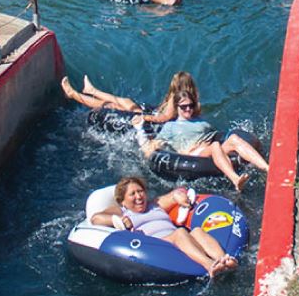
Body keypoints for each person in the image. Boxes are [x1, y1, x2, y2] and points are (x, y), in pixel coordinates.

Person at [140, 72, 271, 190]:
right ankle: (236, 179)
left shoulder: (198, 119)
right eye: (183, 107)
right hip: (194, 154)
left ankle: (267, 168)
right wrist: (142, 129)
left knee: (234, 139)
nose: (188, 109)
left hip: (210, 150)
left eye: (190, 106)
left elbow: (216, 135)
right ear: (177, 107)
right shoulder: (170, 127)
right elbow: (153, 146)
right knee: (215, 146)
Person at [87, 177, 236, 274]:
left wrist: (179, 196)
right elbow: (96, 218)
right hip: (156, 246)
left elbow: (175, 194)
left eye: (140, 191)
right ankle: (210, 265)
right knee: (180, 233)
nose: (139, 197)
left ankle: (224, 259)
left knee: (196, 231)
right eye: (132, 194)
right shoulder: (122, 210)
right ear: (123, 201)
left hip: (179, 240)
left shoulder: (155, 204)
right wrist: (116, 219)